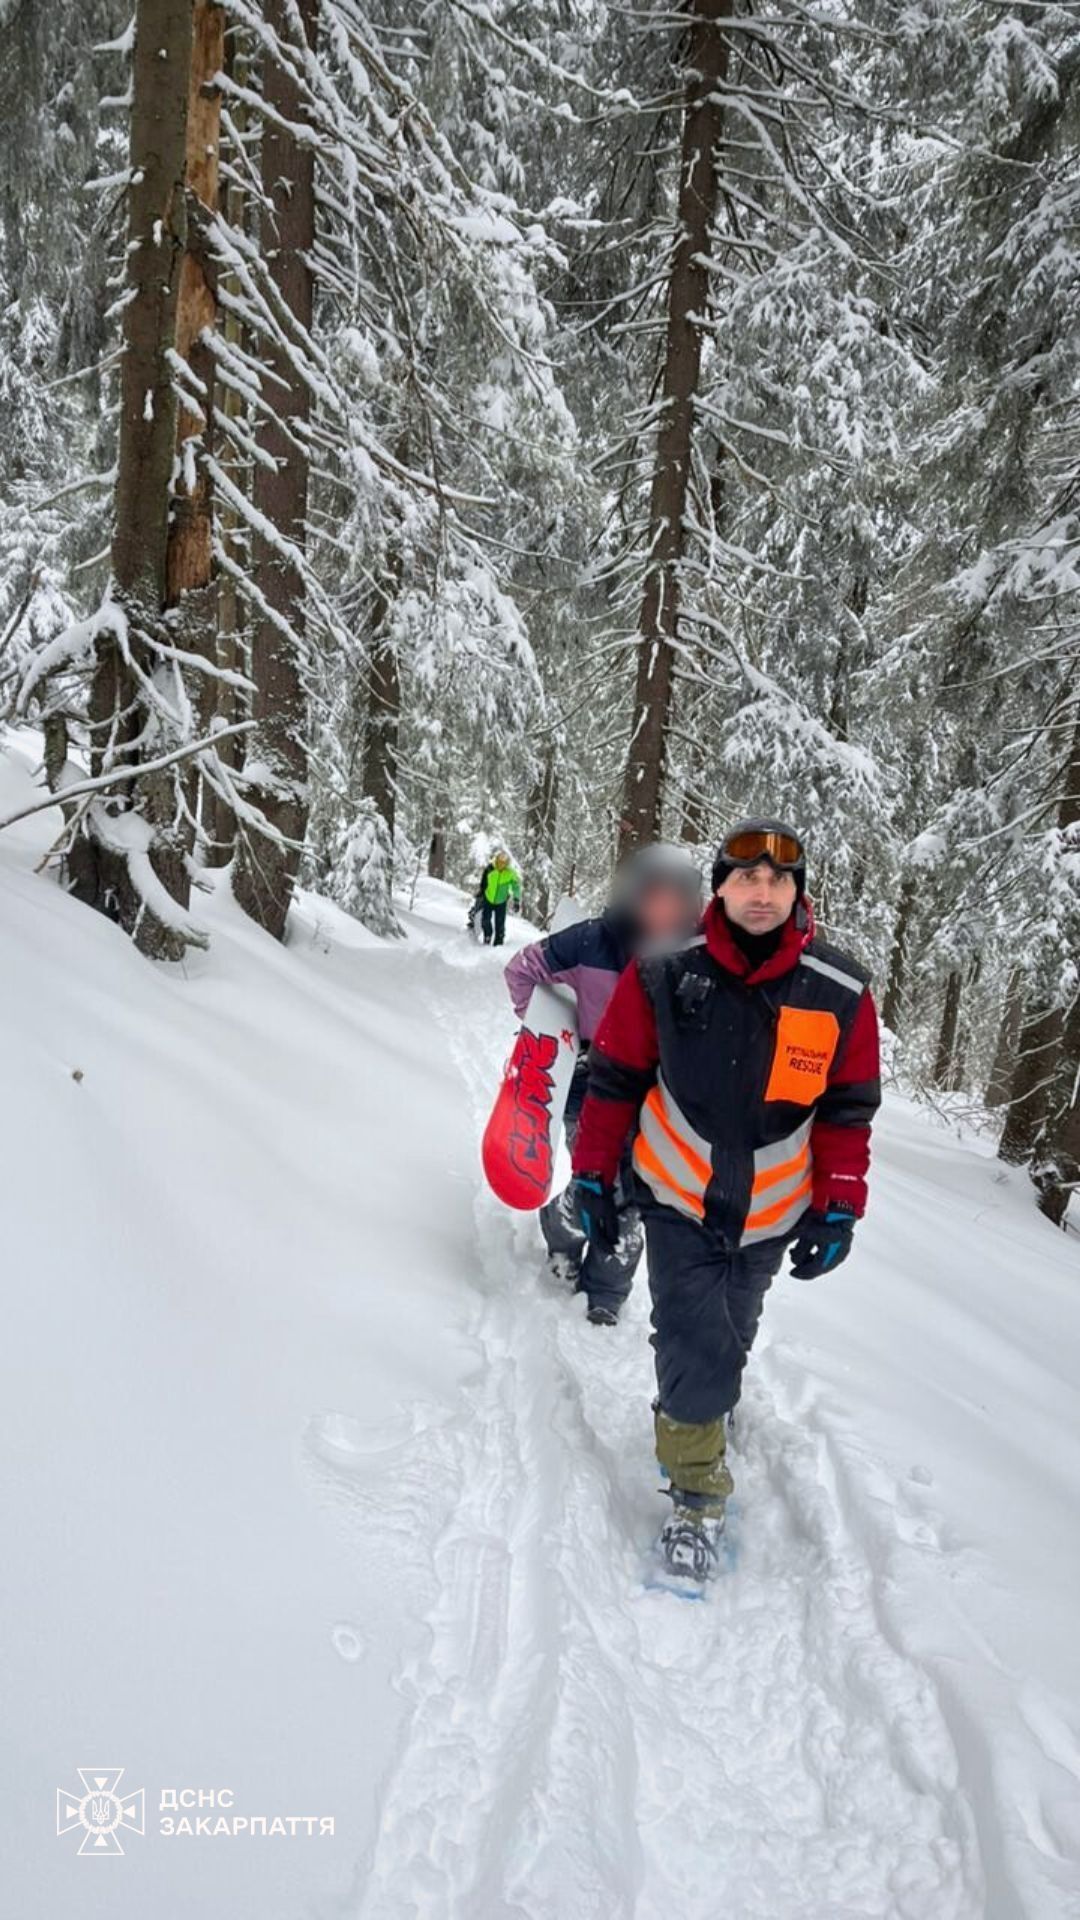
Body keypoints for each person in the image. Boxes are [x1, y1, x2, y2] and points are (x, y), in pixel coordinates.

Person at [569, 819, 881, 1586]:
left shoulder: (839, 992)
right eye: (747, 878)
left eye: (779, 880)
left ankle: (704, 1406)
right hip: (677, 1197)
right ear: (721, 887)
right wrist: (592, 1174)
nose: (763, 892)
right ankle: (696, 1497)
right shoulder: (665, 972)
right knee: (694, 1341)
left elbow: (848, 1110)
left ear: (798, 893)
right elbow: (614, 1080)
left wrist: (838, 1205)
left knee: (733, 1331)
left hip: (773, 1214)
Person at [504, 844, 703, 1325]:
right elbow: (521, 970)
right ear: (635, 895)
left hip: (657, 1097)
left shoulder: (695, 955)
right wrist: (551, 1030)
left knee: (636, 1192)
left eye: (677, 899)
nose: (666, 909)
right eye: (656, 897)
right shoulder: (592, 940)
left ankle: (608, 1292)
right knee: (598, 1179)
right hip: (589, 1084)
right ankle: (563, 1234)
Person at [481, 850, 522, 946]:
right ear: (496, 860)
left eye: (504, 863)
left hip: (501, 901)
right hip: (488, 898)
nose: (501, 865)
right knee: (485, 920)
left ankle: (498, 942)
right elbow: (483, 881)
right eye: (499, 862)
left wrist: (516, 900)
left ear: (507, 863)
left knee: (500, 924)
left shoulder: (510, 873)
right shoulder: (490, 869)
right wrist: (482, 892)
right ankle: (487, 935)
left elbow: (515, 886)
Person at [466, 857, 494, 936]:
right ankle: (473, 919)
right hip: (485, 893)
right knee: (479, 905)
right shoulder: (489, 869)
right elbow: (483, 882)